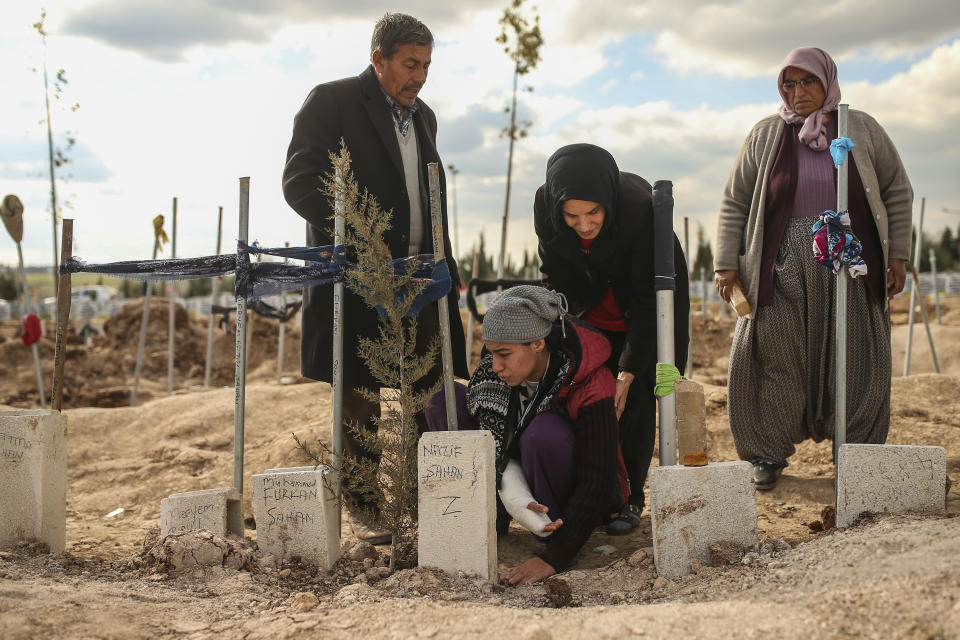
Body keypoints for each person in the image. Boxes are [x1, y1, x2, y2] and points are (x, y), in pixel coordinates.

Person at [282, 13, 467, 541]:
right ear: (378, 58)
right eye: (410, 64)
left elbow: (430, 200)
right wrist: (362, 237)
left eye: (427, 65)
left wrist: (445, 267)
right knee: (360, 395)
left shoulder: (425, 116)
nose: (420, 76)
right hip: (356, 278)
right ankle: (367, 513)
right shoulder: (333, 102)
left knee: (428, 391)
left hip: (419, 282)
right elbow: (299, 182)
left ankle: (422, 504)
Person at [714, 47, 912, 490]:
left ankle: (857, 453)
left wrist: (897, 254)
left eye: (807, 82)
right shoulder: (767, 133)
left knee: (856, 352)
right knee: (777, 354)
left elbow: (897, 189)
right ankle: (767, 453)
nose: (798, 92)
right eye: (789, 83)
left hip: (851, 261)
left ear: (828, 82)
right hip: (782, 261)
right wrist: (727, 263)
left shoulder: (860, 127)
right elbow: (735, 200)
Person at [533, 143, 689, 534]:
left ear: (608, 203)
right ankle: (597, 491)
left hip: (643, 303)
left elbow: (646, 300)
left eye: (593, 213)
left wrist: (629, 368)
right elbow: (553, 270)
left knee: (633, 400)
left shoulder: (638, 209)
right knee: (585, 397)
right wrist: (562, 327)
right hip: (588, 306)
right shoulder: (544, 204)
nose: (584, 225)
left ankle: (632, 496)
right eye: (572, 216)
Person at [426, 285, 628, 584]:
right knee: (445, 401)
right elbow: (496, 441)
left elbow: (598, 479)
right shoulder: (493, 376)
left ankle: (550, 529)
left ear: (537, 344)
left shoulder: (591, 381)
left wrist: (554, 558)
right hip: (519, 474)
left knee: (542, 432)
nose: (494, 367)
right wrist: (513, 495)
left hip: (576, 498)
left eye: (504, 354)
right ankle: (481, 518)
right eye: (491, 353)